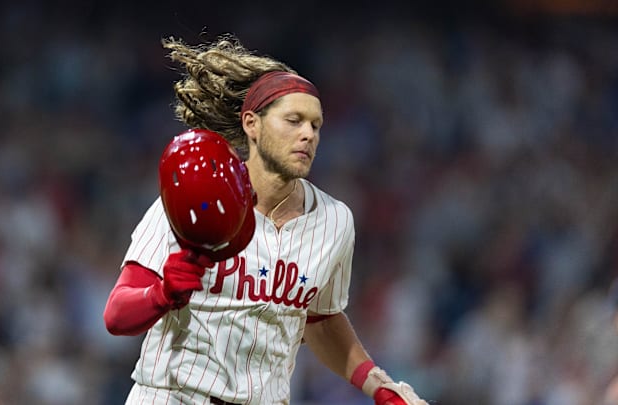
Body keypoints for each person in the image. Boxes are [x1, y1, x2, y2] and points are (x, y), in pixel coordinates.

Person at [103, 34, 428, 405]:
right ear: (251, 124)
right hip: (175, 396)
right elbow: (117, 315)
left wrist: (377, 384)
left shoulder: (336, 221)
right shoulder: (195, 198)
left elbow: (319, 319)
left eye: (316, 125)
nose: (308, 134)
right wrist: (159, 296)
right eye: (294, 120)